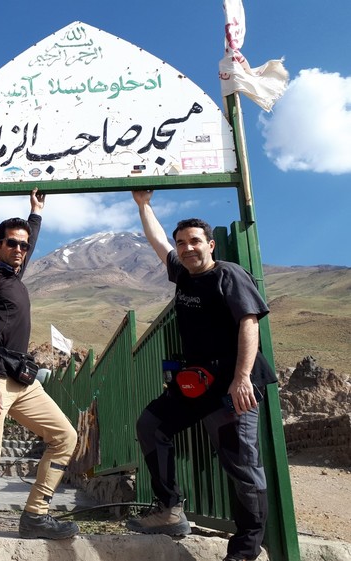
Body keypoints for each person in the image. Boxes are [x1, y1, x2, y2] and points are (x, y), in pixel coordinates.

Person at [127, 189, 277, 561]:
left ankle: (244, 551)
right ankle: (170, 509)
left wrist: (242, 378)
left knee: (242, 467)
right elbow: (158, 242)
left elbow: (248, 323)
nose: (187, 248)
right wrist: (143, 205)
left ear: (210, 244)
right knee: (151, 425)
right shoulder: (183, 273)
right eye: (182, 243)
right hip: (196, 382)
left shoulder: (228, 275)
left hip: (231, 387)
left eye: (194, 241)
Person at [0, 189, 79, 561]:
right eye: (12, 243)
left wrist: (35, 213)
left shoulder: (14, 275)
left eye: (24, 245)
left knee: (65, 437)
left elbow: (30, 239)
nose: (20, 249)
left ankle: (35, 515)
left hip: (22, 382)